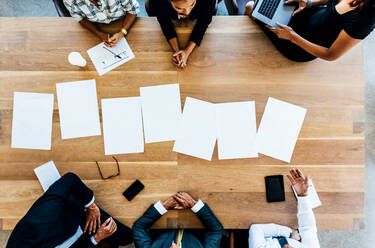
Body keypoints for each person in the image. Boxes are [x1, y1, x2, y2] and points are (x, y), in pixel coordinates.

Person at [6, 173, 133, 248]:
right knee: (122, 240)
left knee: (127, 237)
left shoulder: (40, 222)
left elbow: (69, 180)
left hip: (75, 219)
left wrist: (91, 207)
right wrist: (96, 238)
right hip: (80, 240)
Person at [244, 0, 375, 62]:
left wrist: (291, 37)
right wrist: (308, 2)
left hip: (301, 46)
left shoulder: (367, 19)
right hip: (307, 16)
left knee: (251, 7)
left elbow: (331, 55)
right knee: (263, 6)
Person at [248, 168, 320, 248]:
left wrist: (288, 232)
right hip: (287, 228)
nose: (288, 247)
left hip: (267, 222)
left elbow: (256, 229)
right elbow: (308, 228)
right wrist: (302, 195)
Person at [132, 192, 224, 248]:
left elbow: (138, 228)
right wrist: (194, 205)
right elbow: (216, 231)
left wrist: (163, 207)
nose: (173, 246)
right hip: (194, 222)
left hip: (162, 222)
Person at [146, 0, 216, 68]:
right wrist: (176, 51)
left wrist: (187, 52)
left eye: (192, 4)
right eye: (179, 8)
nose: (187, 12)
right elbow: (165, 22)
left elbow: (203, 23)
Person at [63, 0, 140, 47]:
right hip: (96, 25)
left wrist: (122, 32)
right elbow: (80, 18)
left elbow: (133, 9)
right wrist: (99, 34)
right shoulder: (69, 1)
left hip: (123, 21)